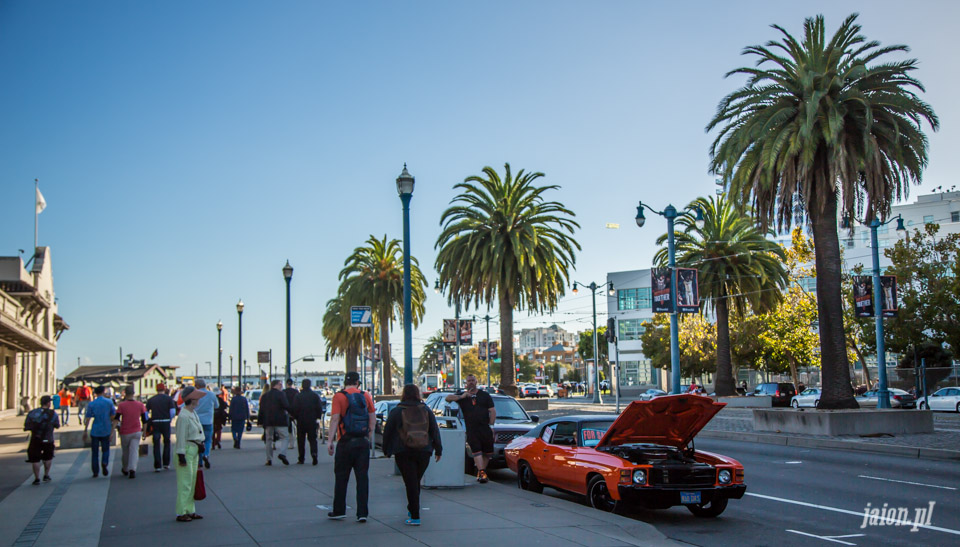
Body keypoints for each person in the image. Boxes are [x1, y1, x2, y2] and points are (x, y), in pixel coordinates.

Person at [382, 384, 442, 526]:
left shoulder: (397, 411)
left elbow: (388, 431)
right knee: (415, 482)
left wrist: (387, 450)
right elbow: (434, 430)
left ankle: (415, 516)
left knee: (410, 483)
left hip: (404, 452)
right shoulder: (426, 410)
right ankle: (412, 509)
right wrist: (438, 450)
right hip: (424, 451)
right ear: (417, 394)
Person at [326, 371, 375, 522]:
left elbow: (335, 419)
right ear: (358, 382)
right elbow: (372, 418)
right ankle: (362, 513)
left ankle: (339, 510)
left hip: (345, 442)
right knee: (362, 478)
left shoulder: (339, 396)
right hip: (362, 441)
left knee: (341, 477)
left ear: (345, 382)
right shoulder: (365, 396)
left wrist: (330, 441)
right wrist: (369, 436)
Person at [446, 374, 495, 483]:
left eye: (473, 380)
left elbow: (492, 410)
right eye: (469, 381)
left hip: (485, 428)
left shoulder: (485, 395)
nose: (471, 382)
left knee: (488, 453)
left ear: (476, 381)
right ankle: (482, 472)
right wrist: (461, 397)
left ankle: (481, 472)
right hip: (472, 429)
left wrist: (491, 426)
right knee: (476, 450)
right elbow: (447, 398)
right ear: (466, 383)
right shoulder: (463, 396)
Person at [174, 386, 206, 522]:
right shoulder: (183, 416)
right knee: (185, 483)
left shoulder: (191, 413)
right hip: (187, 450)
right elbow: (180, 437)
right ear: (191, 400)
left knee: (191, 482)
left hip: (194, 449)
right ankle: (181, 512)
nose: (199, 400)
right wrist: (181, 455)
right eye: (197, 398)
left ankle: (190, 510)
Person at [24, 395, 60, 485]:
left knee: (35, 459)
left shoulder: (32, 413)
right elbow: (57, 425)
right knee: (48, 457)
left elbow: (27, 426)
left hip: (36, 439)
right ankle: (46, 475)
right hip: (48, 439)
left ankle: (36, 478)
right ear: (48, 403)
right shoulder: (53, 414)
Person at [82, 386, 116, 478]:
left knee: (95, 452)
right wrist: (113, 429)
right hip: (106, 429)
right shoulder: (109, 402)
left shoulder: (92, 404)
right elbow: (113, 416)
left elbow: (88, 418)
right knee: (106, 449)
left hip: (95, 430)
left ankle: (95, 471)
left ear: (95, 393)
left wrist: (85, 430)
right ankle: (104, 462)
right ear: (104, 391)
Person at [116, 385, 147, 479]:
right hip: (137, 431)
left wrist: (112, 431)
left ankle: (125, 468)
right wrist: (144, 432)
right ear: (134, 394)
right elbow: (145, 420)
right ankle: (132, 469)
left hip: (125, 431)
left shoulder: (121, 405)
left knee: (125, 452)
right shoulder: (140, 405)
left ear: (125, 393)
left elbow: (116, 419)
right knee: (134, 451)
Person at [259, 379, 291, 466]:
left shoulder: (265, 396)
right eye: (280, 384)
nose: (281, 386)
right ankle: (282, 453)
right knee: (285, 437)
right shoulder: (281, 394)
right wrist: (292, 413)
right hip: (280, 420)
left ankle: (269, 459)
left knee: (268, 439)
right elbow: (286, 406)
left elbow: (261, 409)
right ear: (275, 385)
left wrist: (260, 421)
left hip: (268, 421)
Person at [292, 378, 323, 465]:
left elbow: (295, 408)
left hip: (301, 420)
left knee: (301, 440)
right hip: (312, 420)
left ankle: (301, 458)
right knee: (313, 439)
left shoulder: (298, 396)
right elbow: (319, 408)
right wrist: (318, 417)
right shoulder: (315, 396)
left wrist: (295, 417)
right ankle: (314, 454)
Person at [146, 383, 177, 471]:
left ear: (156, 389)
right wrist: (170, 419)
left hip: (155, 422)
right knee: (167, 442)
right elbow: (172, 412)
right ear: (164, 389)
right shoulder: (168, 399)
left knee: (156, 443)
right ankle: (166, 463)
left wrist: (148, 421)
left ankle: (157, 465)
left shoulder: (151, 400)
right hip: (166, 422)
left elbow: (145, 413)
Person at [193, 379, 216, 469]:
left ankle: (199, 461)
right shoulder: (211, 394)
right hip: (208, 421)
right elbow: (217, 405)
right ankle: (206, 454)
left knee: (198, 441)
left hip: (197, 421)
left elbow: (184, 405)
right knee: (207, 440)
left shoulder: (194, 395)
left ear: (197, 386)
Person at [283, 379, 299, 450]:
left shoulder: (283, 392)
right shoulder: (296, 392)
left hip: (286, 412)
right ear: (292, 384)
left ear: (286, 384)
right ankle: (295, 442)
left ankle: (290, 443)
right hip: (295, 411)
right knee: (296, 427)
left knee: (288, 429)